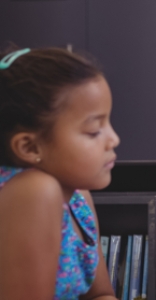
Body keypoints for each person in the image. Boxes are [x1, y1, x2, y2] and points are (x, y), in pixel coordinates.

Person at [0, 47, 119, 299]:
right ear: (29, 147)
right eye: (94, 131)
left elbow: (100, 295)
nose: (114, 139)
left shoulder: (78, 197)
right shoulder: (32, 191)